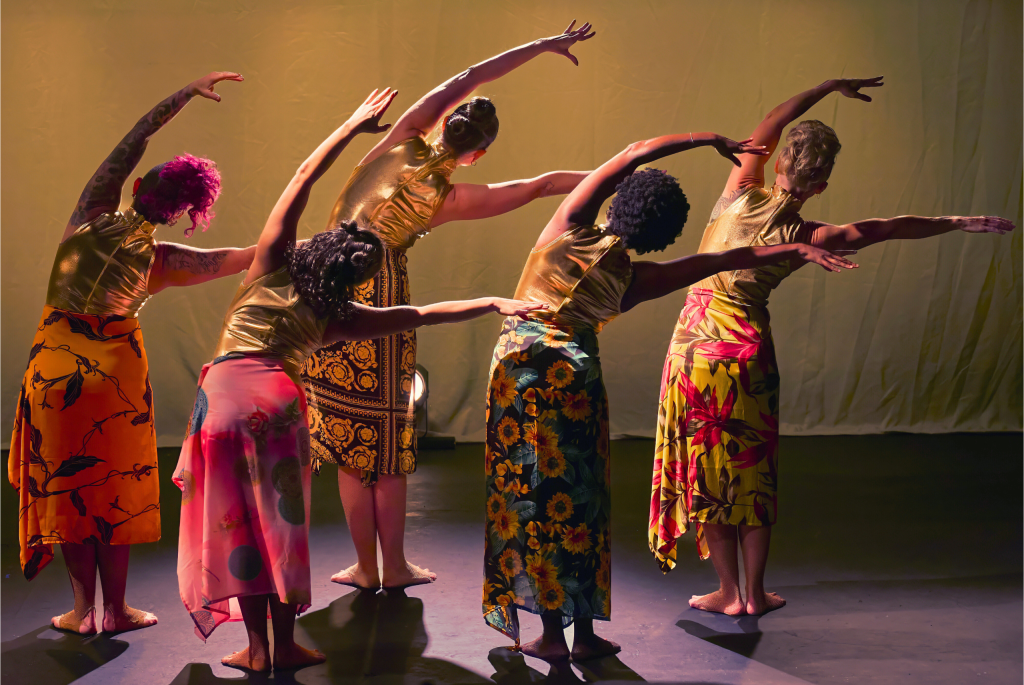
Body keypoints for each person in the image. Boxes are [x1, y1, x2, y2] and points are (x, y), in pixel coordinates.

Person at [174, 88, 545, 673]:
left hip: (220, 400)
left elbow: (305, 175)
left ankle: (257, 649)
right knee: (281, 526)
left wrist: (350, 126)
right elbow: (423, 314)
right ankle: (285, 644)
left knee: (234, 524)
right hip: (278, 405)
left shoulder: (272, 260)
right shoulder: (340, 317)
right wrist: (493, 302)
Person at [482, 128, 857, 661]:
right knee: (580, 501)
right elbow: (721, 261)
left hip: (518, 374)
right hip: (575, 384)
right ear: (662, 236)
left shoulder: (566, 226)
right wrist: (793, 246)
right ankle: (582, 635)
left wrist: (706, 139)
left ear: (618, 201)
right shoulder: (635, 278)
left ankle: (548, 634)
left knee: (528, 496)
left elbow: (633, 152)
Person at [648, 77, 1016, 617]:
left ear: (776, 162)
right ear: (820, 187)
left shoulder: (739, 190)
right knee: (752, 471)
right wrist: (956, 222)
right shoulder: (811, 237)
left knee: (709, 471)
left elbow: (773, 119)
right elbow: (887, 228)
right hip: (747, 354)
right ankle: (755, 594)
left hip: (694, 350)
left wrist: (829, 86)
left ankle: (728, 593)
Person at [304, 20, 599, 592]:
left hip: (326, 282)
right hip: (381, 292)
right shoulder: (449, 197)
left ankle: (366, 566)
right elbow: (543, 186)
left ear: (444, 124)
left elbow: (467, 77)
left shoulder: (399, 140)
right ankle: (392, 566)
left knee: (350, 443)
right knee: (387, 441)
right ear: (477, 155)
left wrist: (540, 46)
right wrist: (622, 170)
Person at [8, 71, 251, 636]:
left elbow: (134, 138)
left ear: (137, 185)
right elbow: (242, 257)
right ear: (180, 216)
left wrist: (186, 93)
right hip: (115, 381)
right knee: (113, 491)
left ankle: (81, 612)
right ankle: (116, 611)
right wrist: (310, 243)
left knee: (70, 488)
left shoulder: (89, 218)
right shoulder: (162, 261)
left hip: (56, 375)